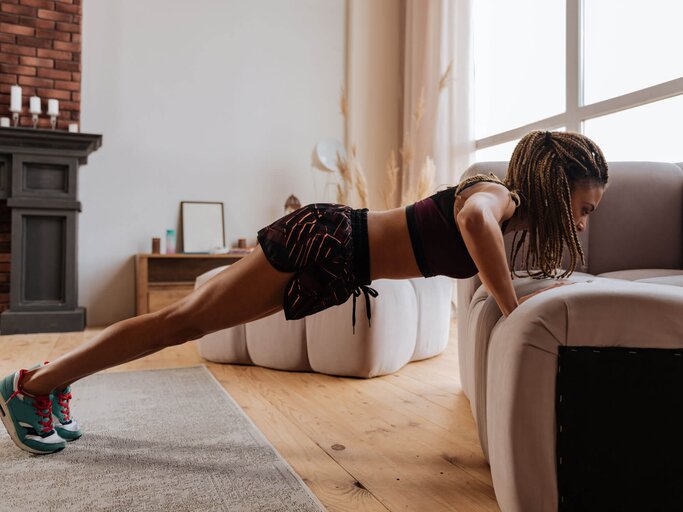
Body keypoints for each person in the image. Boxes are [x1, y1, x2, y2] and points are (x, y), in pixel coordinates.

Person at [0, 130, 608, 454]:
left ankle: (54, 378)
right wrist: (511, 308)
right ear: (555, 186)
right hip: (327, 238)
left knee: (187, 323)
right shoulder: (498, 197)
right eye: (583, 207)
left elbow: (484, 243)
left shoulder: (512, 215)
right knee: (180, 323)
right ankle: (31, 385)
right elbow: (473, 223)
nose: (583, 221)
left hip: (338, 259)